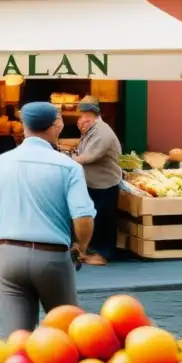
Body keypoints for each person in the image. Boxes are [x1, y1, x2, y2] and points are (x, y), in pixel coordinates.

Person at [0, 101, 96, 335]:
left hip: (9, 256)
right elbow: (83, 218)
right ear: (56, 125)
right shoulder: (68, 167)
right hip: (52, 257)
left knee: (17, 338)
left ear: (23, 126)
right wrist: (81, 248)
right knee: (66, 335)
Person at [72, 96, 123, 266]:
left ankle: (104, 254)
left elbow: (91, 156)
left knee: (104, 219)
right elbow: (83, 150)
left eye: (85, 114)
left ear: (93, 115)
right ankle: (91, 250)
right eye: (82, 114)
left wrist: (70, 160)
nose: (82, 118)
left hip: (105, 183)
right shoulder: (91, 129)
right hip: (93, 183)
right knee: (95, 217)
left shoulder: (103, 132)